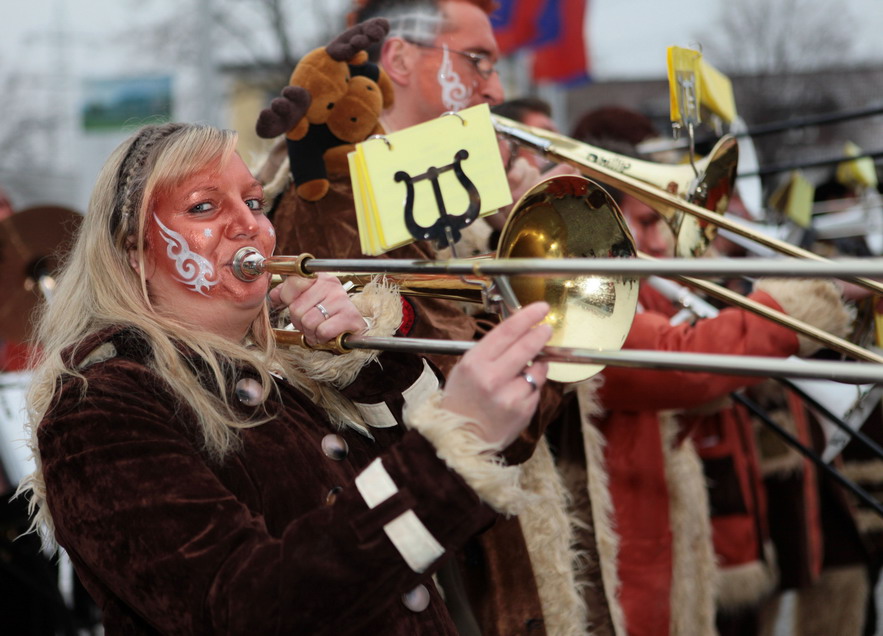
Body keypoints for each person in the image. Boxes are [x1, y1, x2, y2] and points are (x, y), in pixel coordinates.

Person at [16, 122, 558, 633]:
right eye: (204, 207)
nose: (248, 224)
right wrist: (445, 449)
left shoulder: (294, 372)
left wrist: (369, 366)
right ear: (133, 252)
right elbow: (245, 609)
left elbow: (461, 517)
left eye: (254, 202)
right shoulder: (99, 406)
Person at [263, 4, 591, 633]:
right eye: (477, 60)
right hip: (443, 574)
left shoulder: (454, 189)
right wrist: (551, 286)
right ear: (400, 59)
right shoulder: (341, 198)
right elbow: (474, 419)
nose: (495, 89)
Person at [547, 105, 856, 636]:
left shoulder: (641, 285)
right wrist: (802, 303)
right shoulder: (577, 298)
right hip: (627, 546)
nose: (661, 242)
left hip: (665, 530)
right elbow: (683, 365)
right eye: (648, 223)